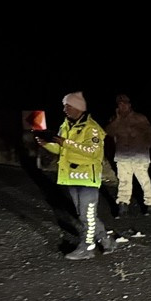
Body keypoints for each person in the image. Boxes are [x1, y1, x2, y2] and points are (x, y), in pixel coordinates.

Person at [35, 92, 116, 261]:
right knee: (84, 214)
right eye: (64, 106)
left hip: (87, 178)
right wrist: (48, 145)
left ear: (79, 108)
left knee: (87, 214)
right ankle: (106, 240)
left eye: (68, 106)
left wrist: (65, 142)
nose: (65, 109)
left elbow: (92, 152)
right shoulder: (66, 125)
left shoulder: (92, 128)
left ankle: (87, 248)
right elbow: (63, 151)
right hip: (72, 177)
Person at [106, 93, 151, 216]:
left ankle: (150, 204)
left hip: (139, 155)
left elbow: (150, 134)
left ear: (129, 105)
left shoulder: (140, 118)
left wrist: (147, 145)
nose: (122, 106)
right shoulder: (114, 119)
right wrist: (117, 119)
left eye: (124, 103)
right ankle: (123, 204)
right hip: (123, 155)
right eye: (119, 104)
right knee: (124, 180)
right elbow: (109, 132)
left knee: (144, 180)